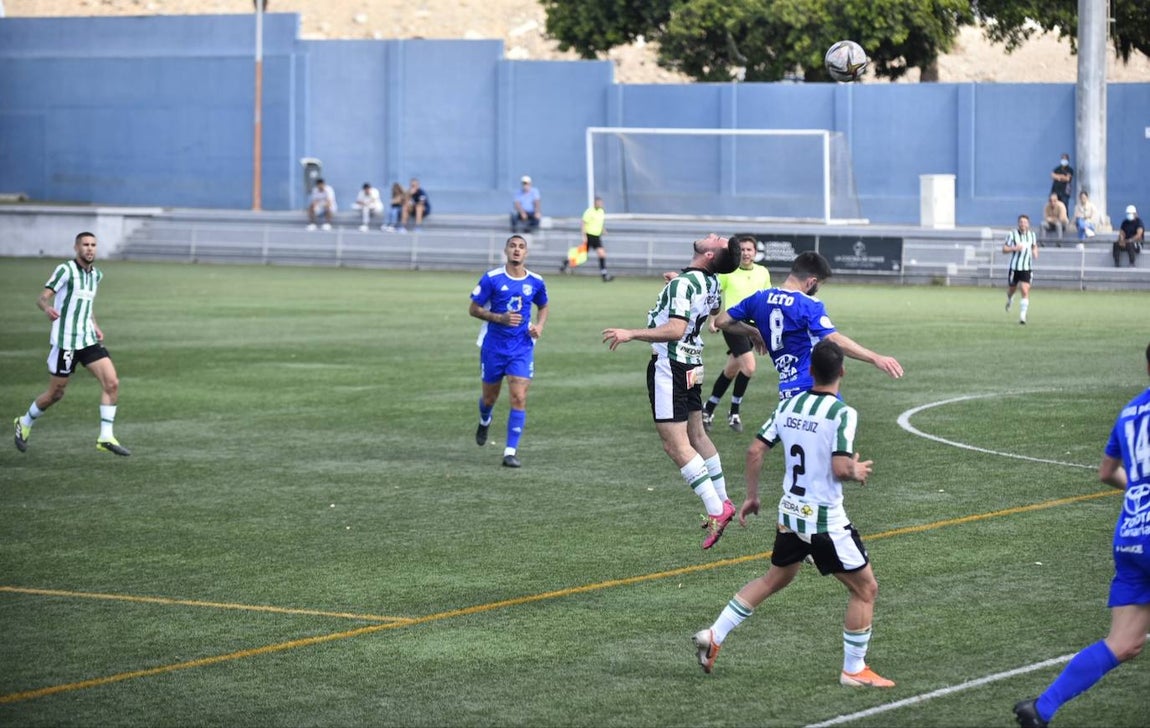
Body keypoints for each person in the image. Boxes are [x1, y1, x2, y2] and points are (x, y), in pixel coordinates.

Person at [692, 339, 894, 688]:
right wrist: (855, 471)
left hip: (790, 515)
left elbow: (755, 451)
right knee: (866, 590)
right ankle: (854, 669)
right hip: (824, 523)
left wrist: (753, 497)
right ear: (842, 372)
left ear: (810, 371)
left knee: (776, 578)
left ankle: (715, 633)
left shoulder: (789, 405)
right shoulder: (842, 413)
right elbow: (841, 466)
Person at [1012, 342, 1150, 728]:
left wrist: (1141, 488)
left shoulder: (1129, 413)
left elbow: (1107, 473)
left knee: (1124, 643)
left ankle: (1041, 709)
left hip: (1132, 535)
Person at [601, 234, 742, 550]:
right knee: (698, 436)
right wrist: (680, 282)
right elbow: (715, 307)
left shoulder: (685, 284)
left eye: (716, 239)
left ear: (708, 253)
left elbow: (676, 329)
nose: (712, 236)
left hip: (671, 365)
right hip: (692, 364)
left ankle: (716, 510)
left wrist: (631, 333)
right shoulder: (710, 283)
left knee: (675, 445)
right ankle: (723, 500)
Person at [714, 251, 903, 402]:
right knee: (840, 445)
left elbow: (721, 321)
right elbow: (833, 339)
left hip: (787, 391)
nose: (817, 289)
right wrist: (876, 358)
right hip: (814, 387)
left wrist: (753, 331)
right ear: (811, 281)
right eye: (819, 284)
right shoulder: (809, 304)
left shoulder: (759, 298)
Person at [13, 232, 130, 457]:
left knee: (112, 383)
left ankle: (106, 437)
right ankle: (24, 421)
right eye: (85, 244)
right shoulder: (65, 270)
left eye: (93, 245)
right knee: (56, 393)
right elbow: (42, 297)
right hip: (65, 342)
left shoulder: (96, 275)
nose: (89, 248)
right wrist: (47, 309)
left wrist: (94, 325)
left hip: (87, 339)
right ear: (76, 247)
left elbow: (86, 305)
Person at [469, 235, 549, 468]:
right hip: (493, 347)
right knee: (489, 398)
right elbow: (473, 309)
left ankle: (510, 452)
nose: (516, 250)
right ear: (506, 250)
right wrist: (499, 318)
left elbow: (543, 305)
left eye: (521, 247)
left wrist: (539, 326)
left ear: (526, 253)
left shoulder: (536, 281)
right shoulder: (492, 278)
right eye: (513, 246)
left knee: (519, 397)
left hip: (522, 348)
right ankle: (485, 420)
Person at [703, 234, 771, 434]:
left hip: (754, 328)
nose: (746, 253)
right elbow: (713, 297)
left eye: (749, 249)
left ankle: (707, 410)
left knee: (732, 370)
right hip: (733, 325)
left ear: (755, 253)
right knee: (749, 367)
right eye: (742, 249)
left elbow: (766, 299)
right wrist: (712, 320)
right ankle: (734, 412)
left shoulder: (763, 272)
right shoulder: (727, 273)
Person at [561, 196, 614, 282]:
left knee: (602, 254)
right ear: (595, 203)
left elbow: (599, 223)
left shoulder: (601, 212)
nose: (600, 204)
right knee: (581, 255)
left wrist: (603, 230)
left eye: (601, 203)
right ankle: (566, 262)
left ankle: (604, 274)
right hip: (589, 236)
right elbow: (583, 223)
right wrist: (584, 235)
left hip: (596, 237)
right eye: (598, 202)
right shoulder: (589, 211)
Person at [1003, 214, 1039, 325]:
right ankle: (1010, 299)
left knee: (1024, 289)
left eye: (1025, 222)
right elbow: (1004, 249)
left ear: (1028, 224)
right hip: (1014, 268)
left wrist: (1035, 252)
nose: (1023, 224)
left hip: (1026, 268)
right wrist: (1014, 248)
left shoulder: (1032, 235)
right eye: (1021, 222)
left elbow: (1034, 246)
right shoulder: (1012, 234)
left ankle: (1022, 316)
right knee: (1012, 289)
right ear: (1018, 223)